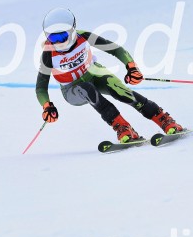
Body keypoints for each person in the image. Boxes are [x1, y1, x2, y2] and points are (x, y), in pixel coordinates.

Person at [35, 7, 185, 143]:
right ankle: (123, 127)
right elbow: (41, 87)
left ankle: (164, 119)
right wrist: (47, 106)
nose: (58, 42)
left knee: (120, 90)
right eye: (52, 38)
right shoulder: (48, 54)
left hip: (94, 72)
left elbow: (115, 49)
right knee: (86, 88)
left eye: (62, 37)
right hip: (71, 90)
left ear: (73, 31)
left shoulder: (84, 36)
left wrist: (131, 67)